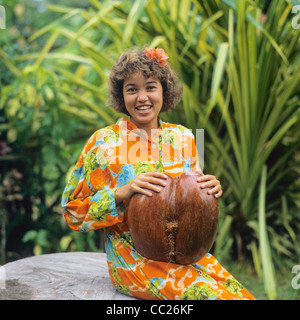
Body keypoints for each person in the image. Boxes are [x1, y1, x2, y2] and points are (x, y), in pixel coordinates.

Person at [61, 47, 255, 300]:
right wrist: (124, 191)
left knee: (241, 296)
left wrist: (209, 189)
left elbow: (192, 202)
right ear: (122, 95)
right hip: (134, 261)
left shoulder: (183, 137)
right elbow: (72, 213)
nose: (142, 97)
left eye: (150, 87)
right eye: (132, 89)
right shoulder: (104, 143)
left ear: (164, 90)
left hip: (185, 256)